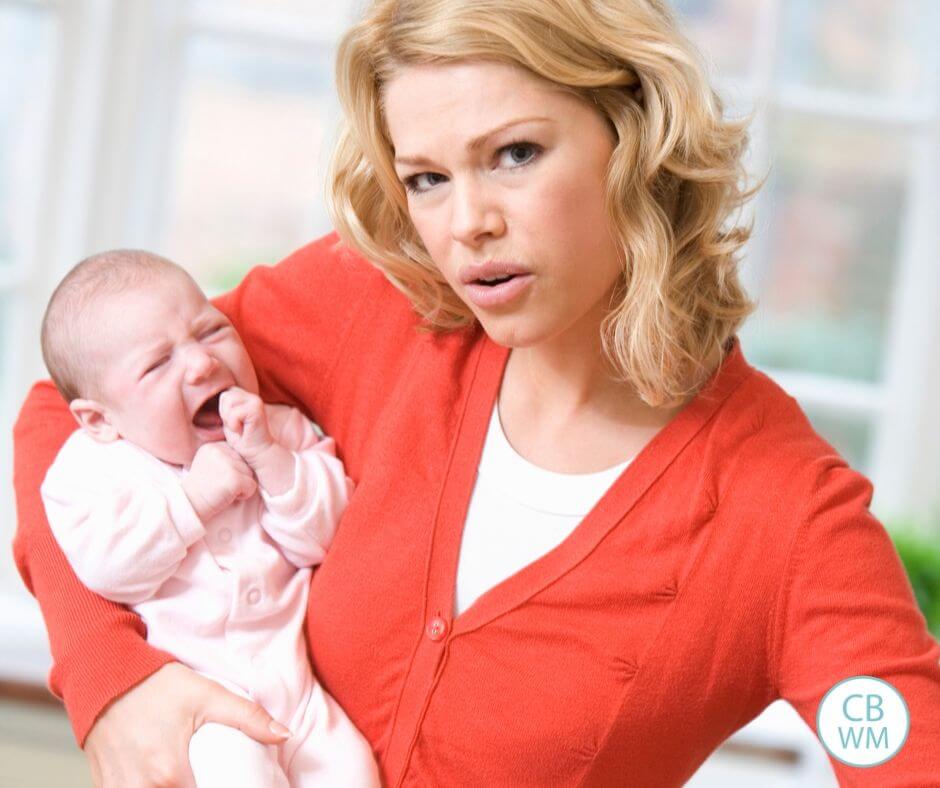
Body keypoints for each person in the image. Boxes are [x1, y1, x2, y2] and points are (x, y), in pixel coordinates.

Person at [12, 0, 940, 786]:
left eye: (516, 154)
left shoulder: (785, 516)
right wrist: (111, 678)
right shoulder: (381, 305)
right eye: (426, 178)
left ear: (637, 140)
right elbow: (69, 409)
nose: (467, 225)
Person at [36, 251, 380, 788]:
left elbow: (331, 535)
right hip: (198, 705)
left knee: (352, 770)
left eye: (212, 330)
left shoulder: (280, 430)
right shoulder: (92, 468)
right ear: (100, 419)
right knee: (240, 772)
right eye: (157, 364)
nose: (201, 363)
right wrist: (192, 501)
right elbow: (107, 568)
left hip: (303, 697)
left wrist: (271, 460)